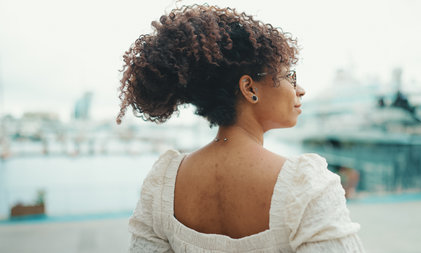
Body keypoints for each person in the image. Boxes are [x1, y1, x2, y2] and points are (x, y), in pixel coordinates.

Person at [117, 4, 365, 252]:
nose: (300, 90)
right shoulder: (306, 185)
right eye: (289, 76)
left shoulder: (163, 185)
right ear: (249, 88)